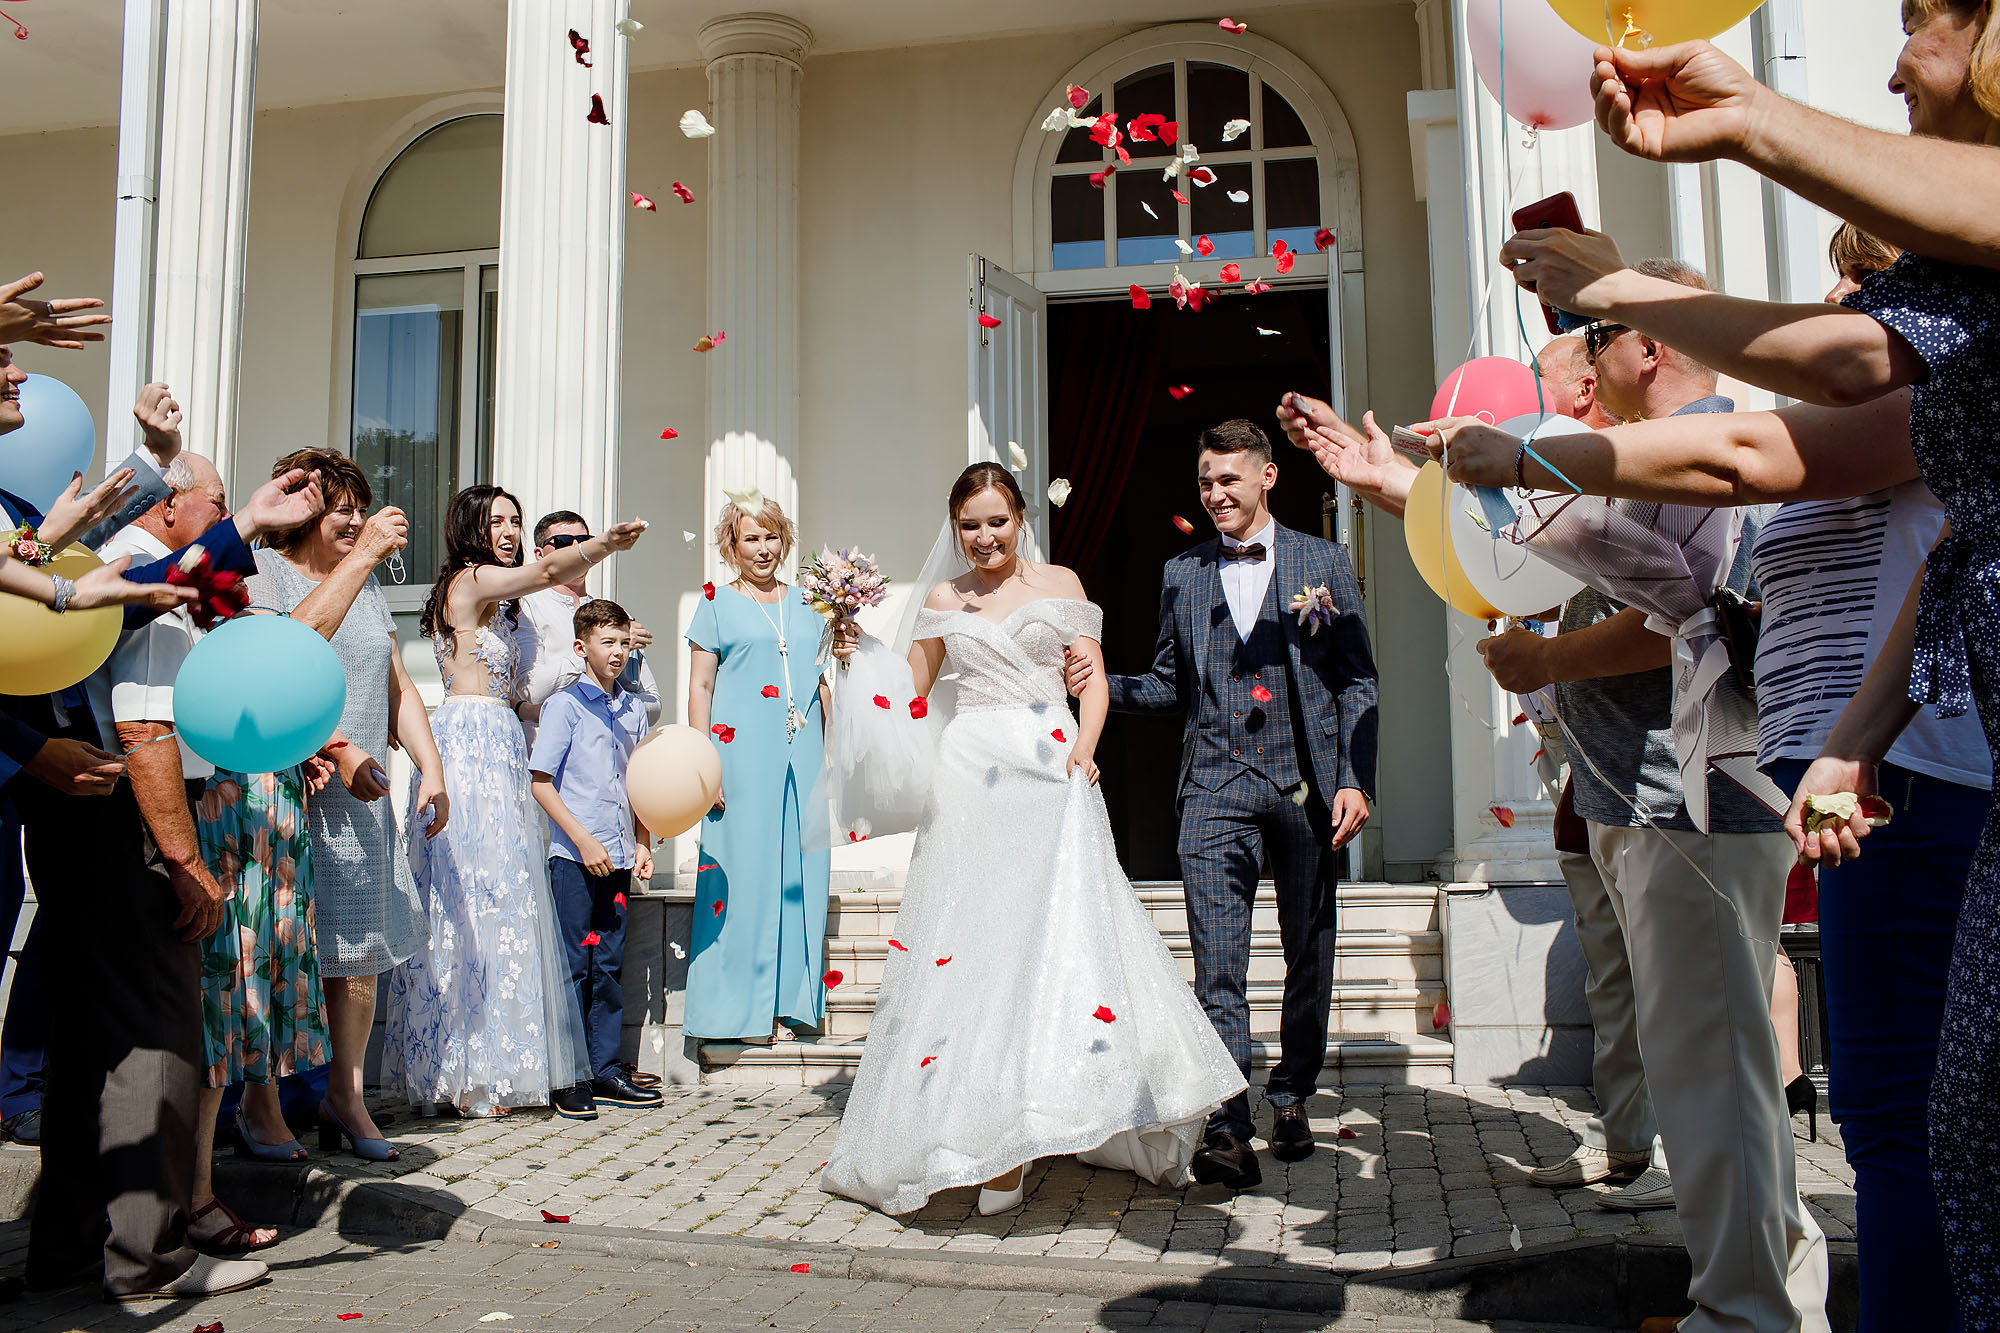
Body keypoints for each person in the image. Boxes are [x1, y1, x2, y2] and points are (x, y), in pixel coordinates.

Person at [1278, 339, 1669, 1206]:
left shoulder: (1635, 470)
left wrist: (1547, 660)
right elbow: (1485, 528)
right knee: (1615, 979)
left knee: (1668, 980)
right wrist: (1380, 476)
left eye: (1544, 376)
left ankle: (1685, 1160)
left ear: (1585, 388)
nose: (1526, 397)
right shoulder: (1559, 475)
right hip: (1590, 780)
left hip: (1658, 786)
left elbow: (1640, 605)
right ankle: (1629, 1149)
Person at [820, 462, 1244, 1215]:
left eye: (997, 521)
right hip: (971, 776)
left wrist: (1085, 746)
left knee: (1060, 941)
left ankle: (1060, 1106)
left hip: (1051, 769)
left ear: (1020, 518)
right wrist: (855, 658)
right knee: (977, 949)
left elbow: (1094, 680)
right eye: (970, 525)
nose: (984, 537)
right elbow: (909, 695)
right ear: (955, 528)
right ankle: (984, 1134)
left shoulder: (1062, 584)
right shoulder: (944, 599)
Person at [7, 451, 323, 1301]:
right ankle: (148, 1254)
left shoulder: (132, 568)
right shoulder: (148, 584)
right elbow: (146, 731)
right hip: (125, 824)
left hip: (82, 825)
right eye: (215, 502)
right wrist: (186, 863)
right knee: (158, 1036)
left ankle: (73, 1252)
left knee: (92, 1042)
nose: (225, 519)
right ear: (172, 505)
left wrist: (248, 519)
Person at [1060, 420, 1376, 1190]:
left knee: (1308, 948)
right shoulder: (1183, 571)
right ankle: (1230, 1124)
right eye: (1206, 480)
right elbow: (1170, 683)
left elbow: (1355, 678)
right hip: (1213, 785)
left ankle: (1292, 1093)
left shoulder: (1323, 562)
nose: (1215, 493)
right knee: (1218, 962)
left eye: (1229, 478)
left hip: (1304, 785)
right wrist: (1097, 685)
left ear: (1268, 476)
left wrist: (1353, 777)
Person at [386, 485, 644, 1117]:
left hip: (503, 737)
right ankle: (463, 1073)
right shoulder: (470, 582)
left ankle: (502, 1064)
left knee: (508, 901)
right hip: (469, 743)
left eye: (514, 521)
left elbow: (521, 691)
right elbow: (549, 572)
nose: (508, 531)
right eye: (496, 521)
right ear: (470, 528)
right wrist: (604, 544)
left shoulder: (505, 609)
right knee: (471, 898)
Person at [243, 449, 447, 1163]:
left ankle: (346, 1092)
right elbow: (280, 661)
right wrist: (336, 749)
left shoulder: (364, 586)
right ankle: (260, 1102)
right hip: (291, 790)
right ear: (302, 511)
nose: (356, 521)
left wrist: (431, 767)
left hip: (363, 797)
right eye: (342, 509)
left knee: (357, 947)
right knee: (280, 946)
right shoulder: (262, 573)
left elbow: (398, 683)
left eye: (361, 509)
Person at [683, 493, 832, 1044]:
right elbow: (700, 686)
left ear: (784, 540)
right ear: (732, 545)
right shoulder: (716, 604)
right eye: (751, 538)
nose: (763, 548)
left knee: (800, 875)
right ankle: (738, 1014)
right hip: (738, 757)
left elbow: (823, 683)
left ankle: (788, 1005)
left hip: (803, 755)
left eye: (771, 537)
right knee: (744, 875)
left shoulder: (813, 605)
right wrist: (704, 764)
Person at [529, 599, 660, 1121]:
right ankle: (569, 1076)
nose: (618, 652)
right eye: (608, 643)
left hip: (621, 857)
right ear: (582, 648)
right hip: (574, 858)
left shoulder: (634, 709)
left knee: (608, 964)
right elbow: (541, 783)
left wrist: (643, 841)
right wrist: (583, 840)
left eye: (624, 642)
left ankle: (605, 1069)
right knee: (572, 966)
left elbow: (643, 781)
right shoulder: (563, 706)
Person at [514, 510, 662, 750]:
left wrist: (611, 704)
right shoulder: (526, 608)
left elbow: (653, 704)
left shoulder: (615, 614)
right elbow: (531, 692)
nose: (576, 549)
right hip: (553, 753)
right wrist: (593, 652)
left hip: (610, 752)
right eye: (563, 542)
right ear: (540, 554)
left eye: (584, 541)